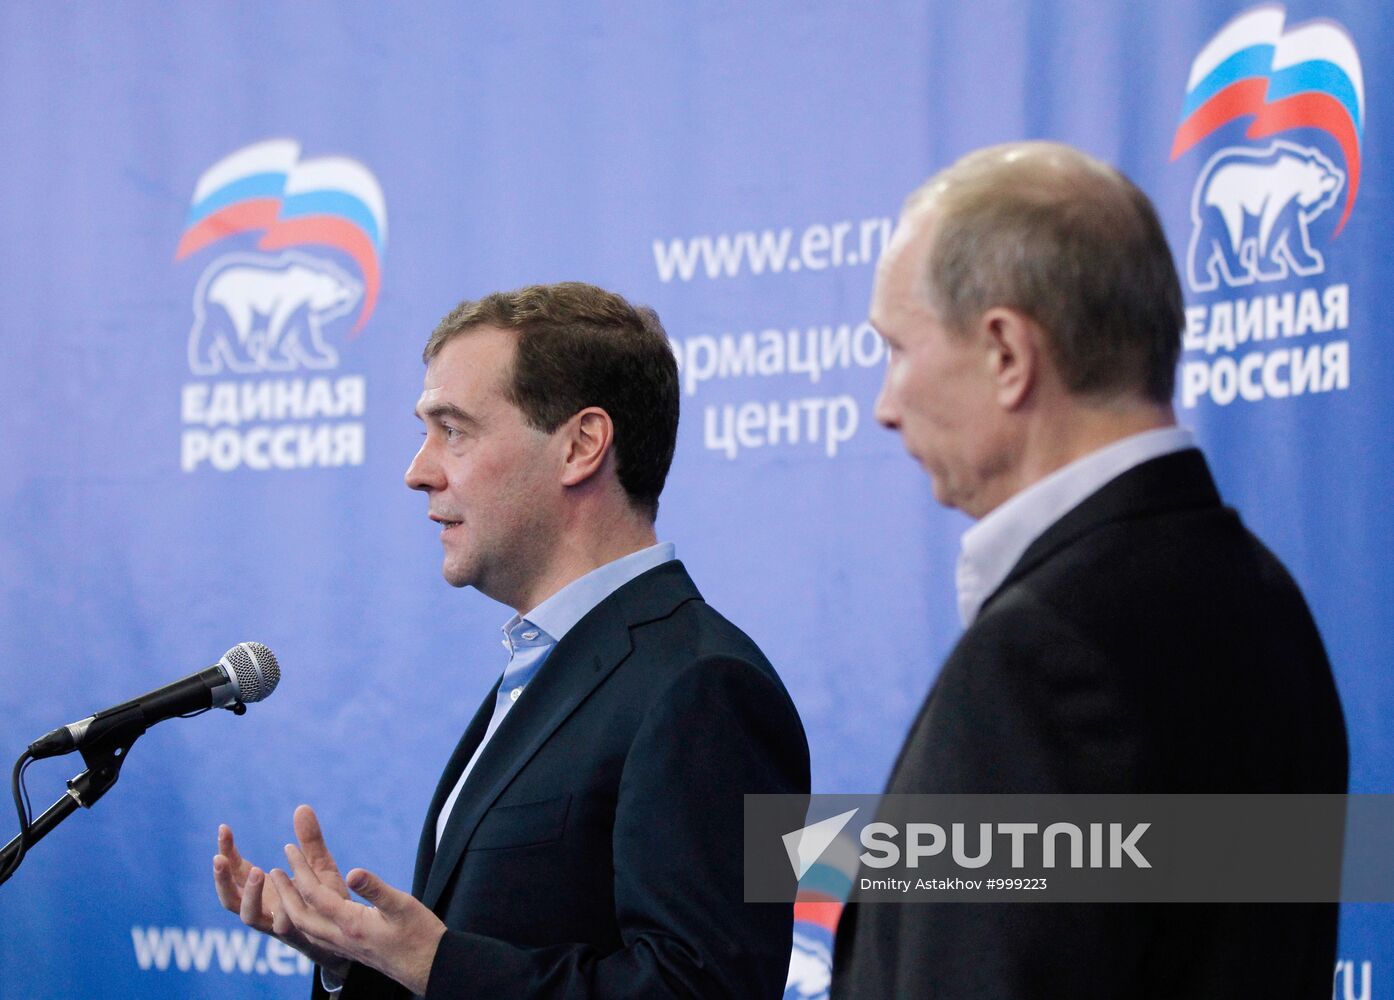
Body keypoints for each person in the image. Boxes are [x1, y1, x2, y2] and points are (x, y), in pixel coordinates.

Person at [830, 142, 1347, 998]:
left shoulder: (1039, 661)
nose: (884, 407)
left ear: (1006, 353)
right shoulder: (1265, 599)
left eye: (895, 349)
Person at [212, 282, 810, 998]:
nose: (417, 471)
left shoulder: (707, 687)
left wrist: (439, 963)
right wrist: (355, 960)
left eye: (453, 430)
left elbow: (706, 990)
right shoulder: (547, 665)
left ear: (581, 446)